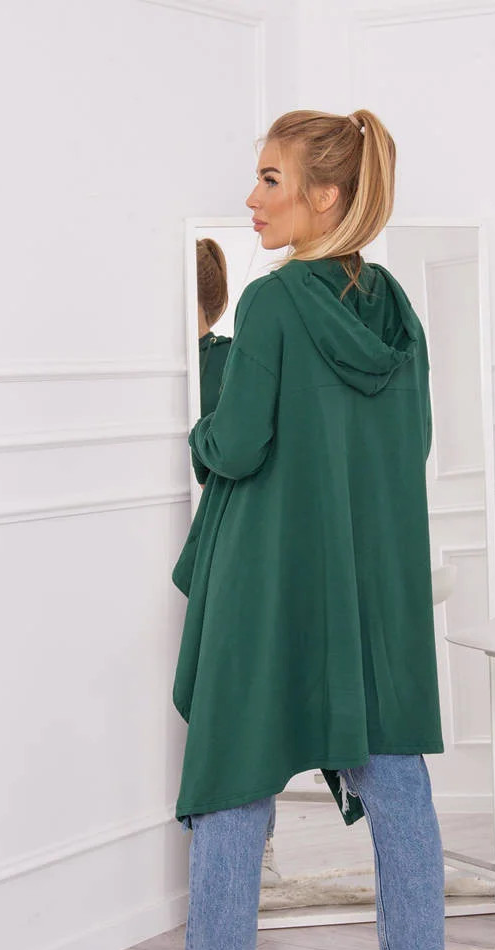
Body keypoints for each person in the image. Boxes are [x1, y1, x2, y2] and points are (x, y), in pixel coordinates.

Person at [151, 109, 446, 950]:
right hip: (374, 584)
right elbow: (412, 444)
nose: (251, 198)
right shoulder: (397, 308)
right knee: (396, 778)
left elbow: (237, 447)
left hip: (274, 579)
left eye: (270, 180)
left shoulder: (273, 303)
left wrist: (204, 421)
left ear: (325, 196)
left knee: (237, 772)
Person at [194, 238, 282, 887]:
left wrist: (200, 438)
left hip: (233, 543)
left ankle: (255, 849)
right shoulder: (221, 356)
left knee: (236, 713)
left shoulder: (226, 356)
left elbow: (233, 445)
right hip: (238, 541)